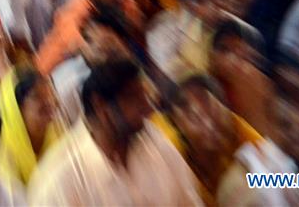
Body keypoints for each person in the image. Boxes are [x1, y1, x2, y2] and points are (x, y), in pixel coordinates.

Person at [28, 60, 202, 206]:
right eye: (135, 98)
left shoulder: (152, 139)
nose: (148, 107)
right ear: (101, 106)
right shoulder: (60, 180)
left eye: (145, 97)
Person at [157, 75, 285, 206]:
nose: (208, 125)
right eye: (193, 118)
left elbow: (287, 180)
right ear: (179, 128)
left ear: (225, 105)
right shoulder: (174, 164)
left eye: (211, 110)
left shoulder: (245, 137)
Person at [36, 0, 139, 75]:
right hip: (50, 76)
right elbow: (94, 54)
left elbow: (136, 30)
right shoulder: (74, 14)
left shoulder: (120, 0)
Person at [50, 9, 135, 124]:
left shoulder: (111, 82)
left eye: (108, 45)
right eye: (88, 40)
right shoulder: (75, 65)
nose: (85, 46)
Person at [0, 68, 62, 190]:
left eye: (49, 92)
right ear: (16, 108)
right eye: (37, 96)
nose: (49, 102)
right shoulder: (4, 156)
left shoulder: (56, 133)